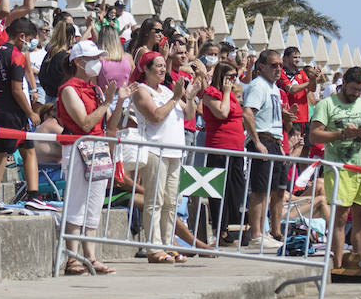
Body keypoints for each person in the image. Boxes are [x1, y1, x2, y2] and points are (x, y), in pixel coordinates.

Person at [129, 50, 198, 263]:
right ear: (146, 70)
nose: (161, 69)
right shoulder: (142, 90)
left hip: (175, 151)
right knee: (154, 200)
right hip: (155, 150)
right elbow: (156, 116)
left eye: (162, 65)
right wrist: (177, 96)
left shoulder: (168, 91)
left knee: (171, 202)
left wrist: (191, 97)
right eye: (157, 66)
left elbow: (188, 115)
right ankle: (154, 246)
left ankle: (168, 243)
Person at [57, 38, 117, 275]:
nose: (98, 63)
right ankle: (73, 258)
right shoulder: (69, 89)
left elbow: (109, 122)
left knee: (93, 205)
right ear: (79, 62)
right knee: (77, 203)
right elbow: (84, 123)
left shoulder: (96, 89)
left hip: (98, 147)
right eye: (93, 59)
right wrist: (108, 103)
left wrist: (118, 101)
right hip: (78, 148)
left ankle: (90, 256)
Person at [309, 67, 361, 270]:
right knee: (340, 217)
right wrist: (342, 134)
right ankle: (338, 265)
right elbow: (314, 136)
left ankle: (357, 264)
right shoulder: (327, 104)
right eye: (353, 89)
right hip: (339, 169)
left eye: (360, 90)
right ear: (343, 83)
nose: (356, 93)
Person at [0, 16, 39, 214]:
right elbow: (17, 89)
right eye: (30, 39)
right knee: (17, 151)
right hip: (11, 111)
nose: (31, 44)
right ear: (22, 37)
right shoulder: (17, 55)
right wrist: (31, 113)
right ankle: (32, 195)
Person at [243, 49, 287, 249]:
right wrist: (257, 141)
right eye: (273, 65)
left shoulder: (274, 88)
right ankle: (256, 234)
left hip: (275, 142)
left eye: (280, 65)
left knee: (277, 190)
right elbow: (247, 113)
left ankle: (272, 232)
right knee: (260, 190)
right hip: (264, 140)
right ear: (261, 67)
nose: (278, 69)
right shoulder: (258, 85)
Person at [200, 60, 247, 245]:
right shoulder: (212, 94)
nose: (233, 81)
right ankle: (222, 230)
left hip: (235, 148)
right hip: (220, 147)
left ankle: (234, 229)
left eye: (235, 77)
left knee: (236, 188)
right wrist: (226, 92)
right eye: (229, 77)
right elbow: (222, 113)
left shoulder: (232, 95)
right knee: (219, 190)